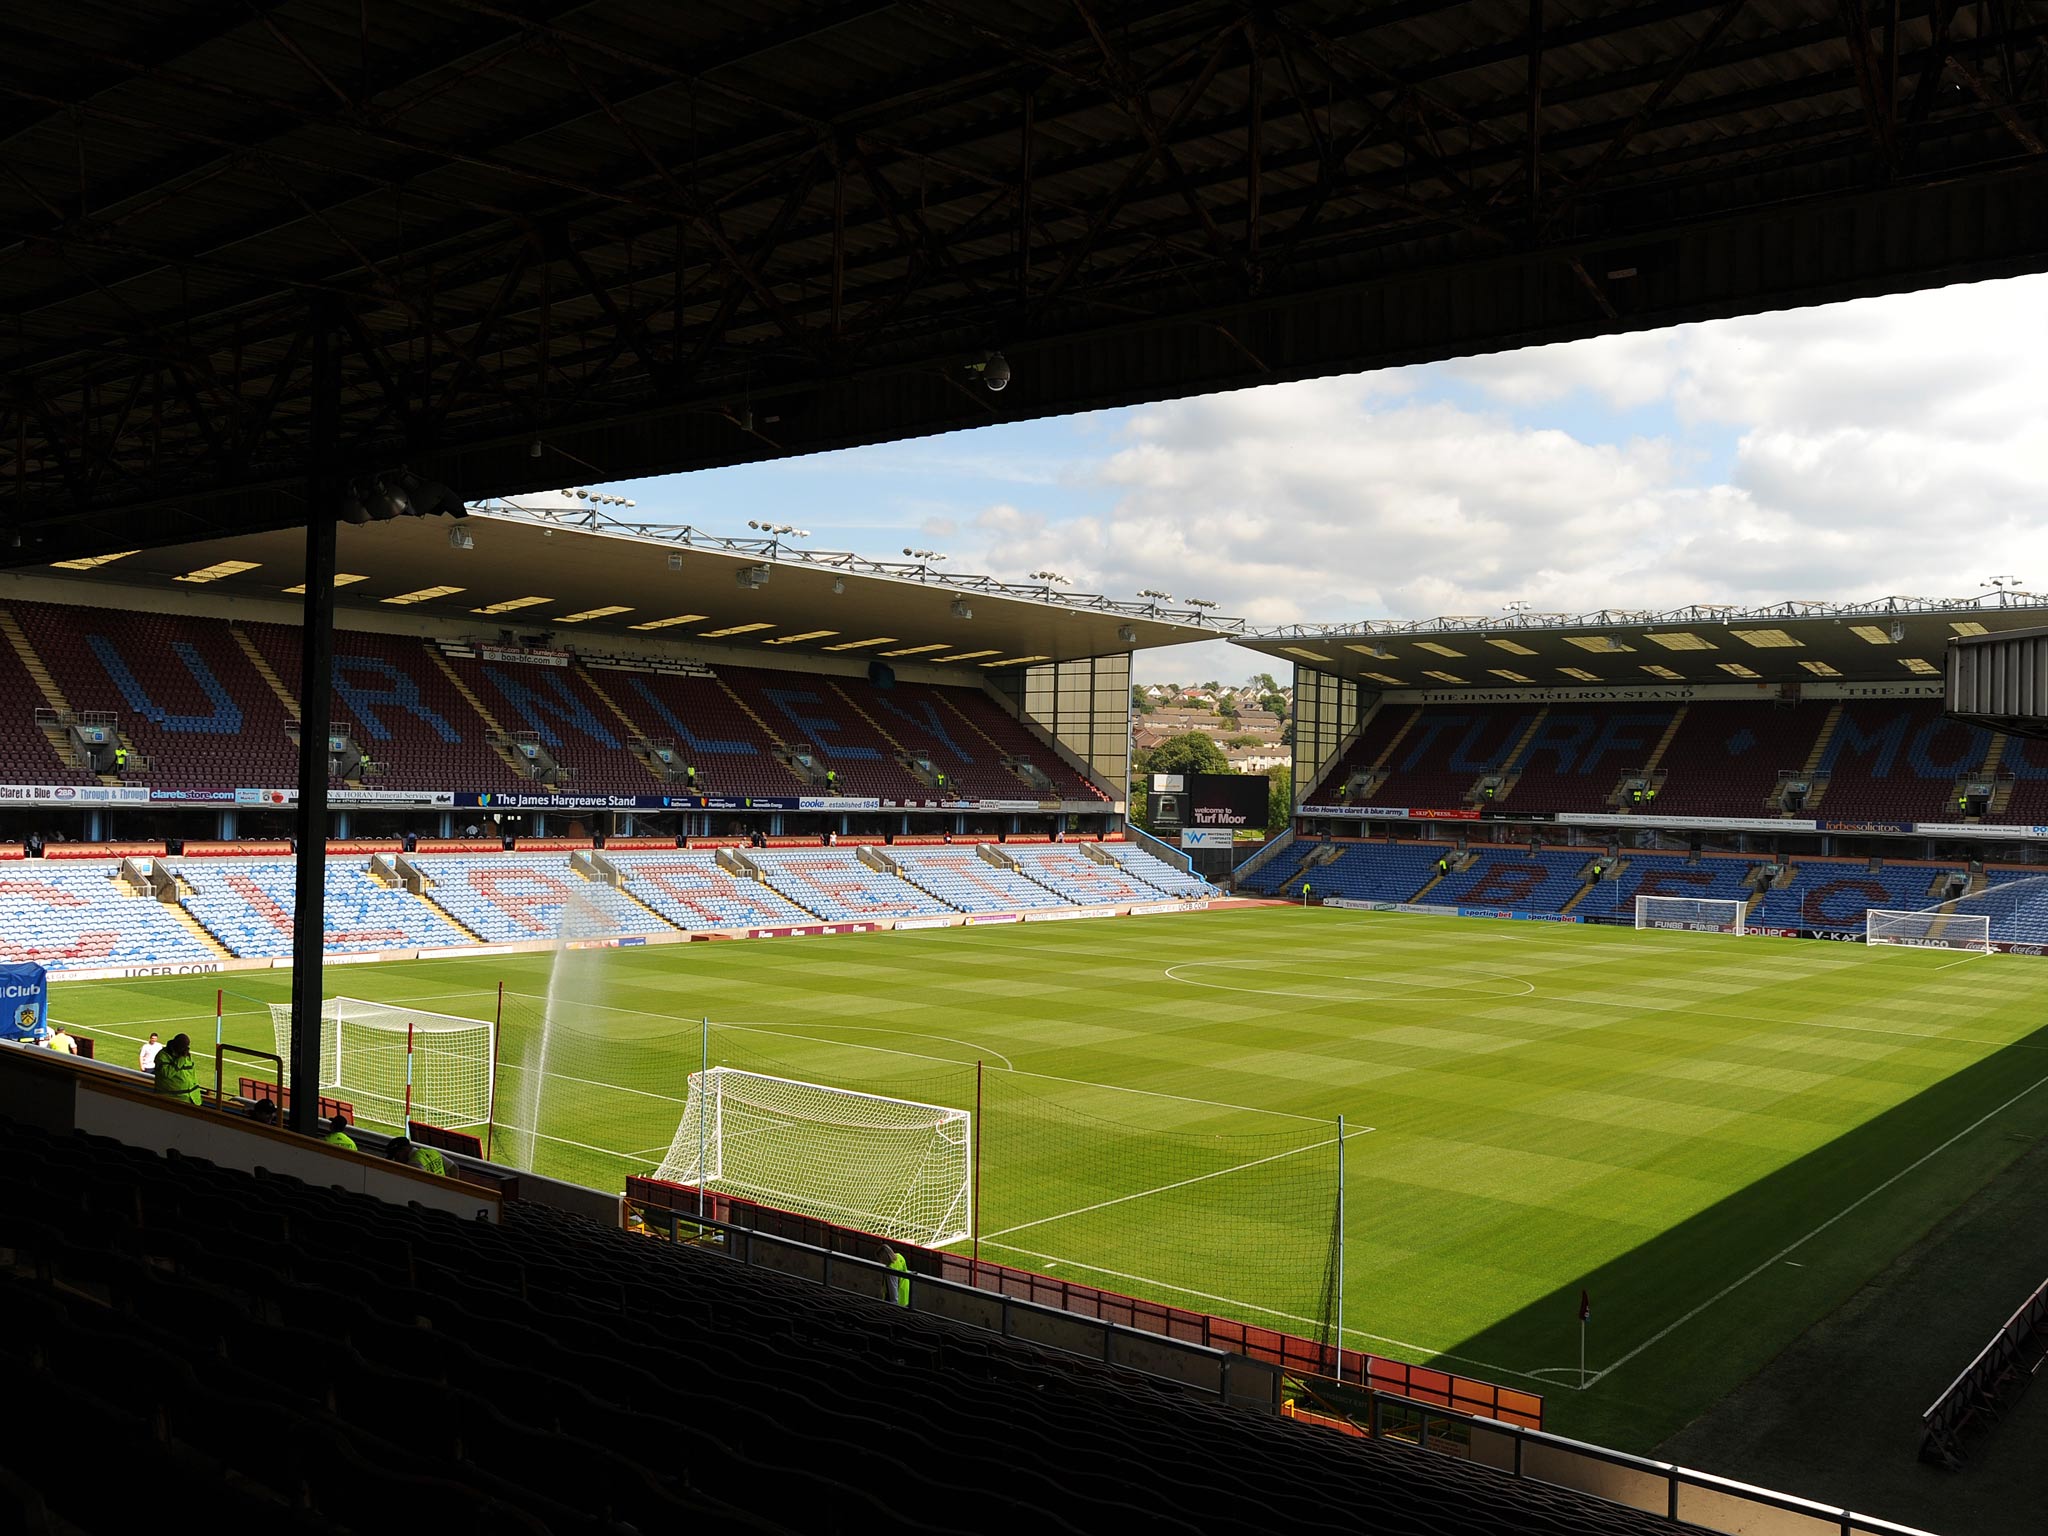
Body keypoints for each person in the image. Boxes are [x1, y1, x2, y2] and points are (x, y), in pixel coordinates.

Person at [152, 1033, 201, 1107]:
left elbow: (192, 1075)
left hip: (192, 1099)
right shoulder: (163, 1055)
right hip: (172, 1100)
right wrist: (180, 1059)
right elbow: (167, 1073)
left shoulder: (186, 1055)